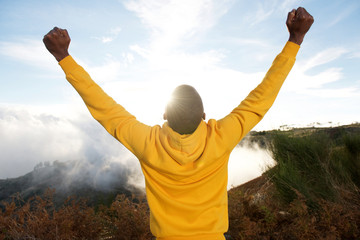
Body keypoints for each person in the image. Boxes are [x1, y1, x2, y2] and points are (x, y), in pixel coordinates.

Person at [43, 7, 313, 240]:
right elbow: (261, 98)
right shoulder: (221, 136)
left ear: (164, 114)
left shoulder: (147, 142)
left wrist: (63, 57)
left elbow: (104, 107)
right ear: (204, 115)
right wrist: (295, 39)